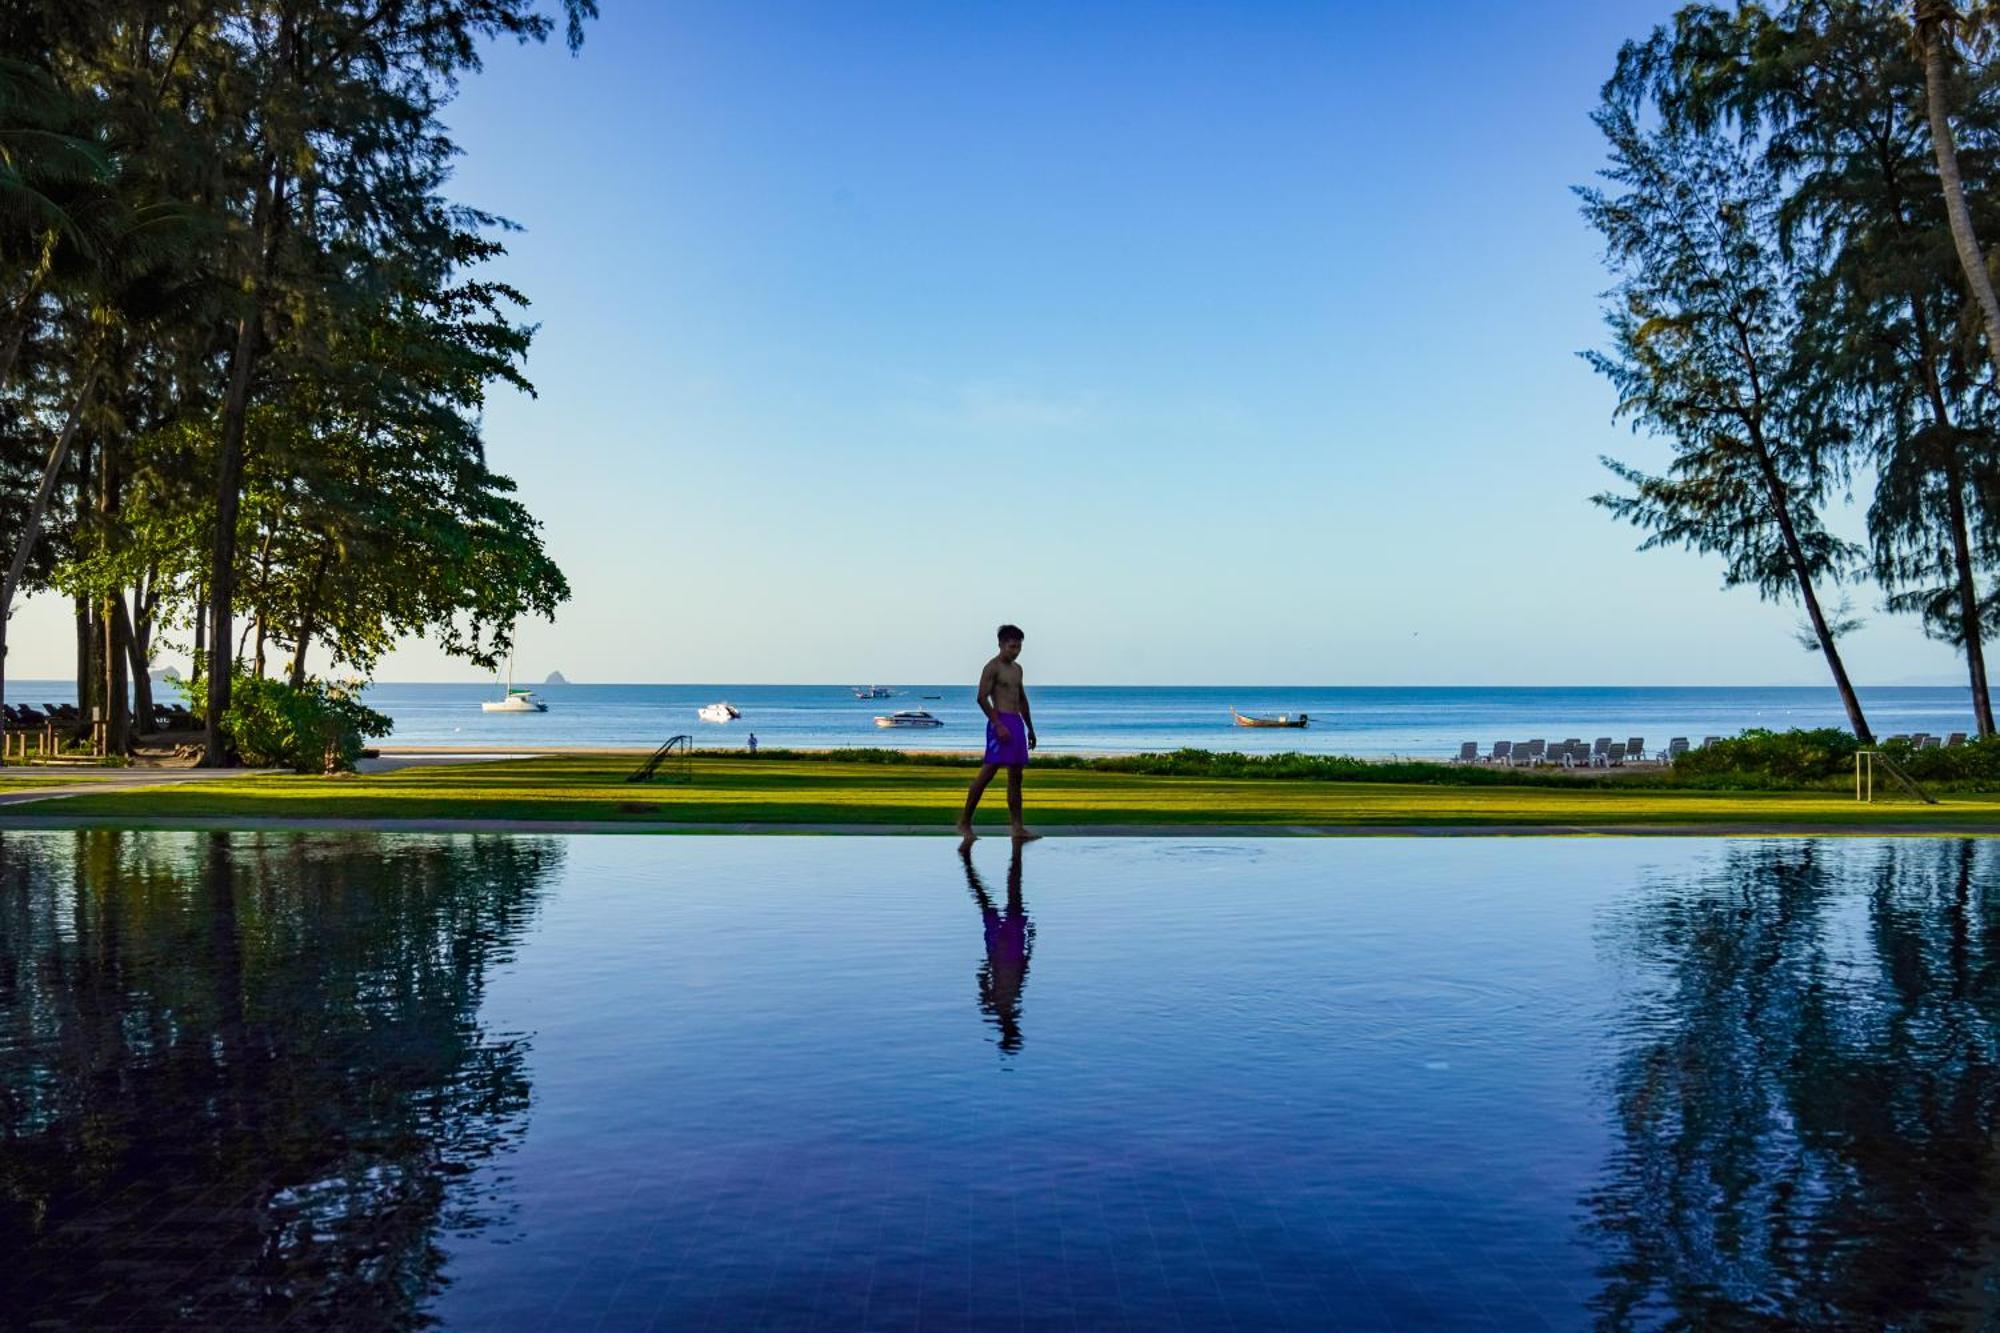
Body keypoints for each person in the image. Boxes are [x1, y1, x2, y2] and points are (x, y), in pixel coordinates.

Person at [957, 623, 1039, 843]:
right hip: (999, 721)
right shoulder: (992, 667)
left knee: (1016, 777)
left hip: (1016, 723)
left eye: (1019, 647)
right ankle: (964, 822)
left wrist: (1030, 727)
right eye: (1012, 646)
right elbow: (981, 697)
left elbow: (1021, 699)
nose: (1016, 651)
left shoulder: (1017, 669)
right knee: (988, 773)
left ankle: (1017, 827)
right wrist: (998, 724)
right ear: (1001, 645)